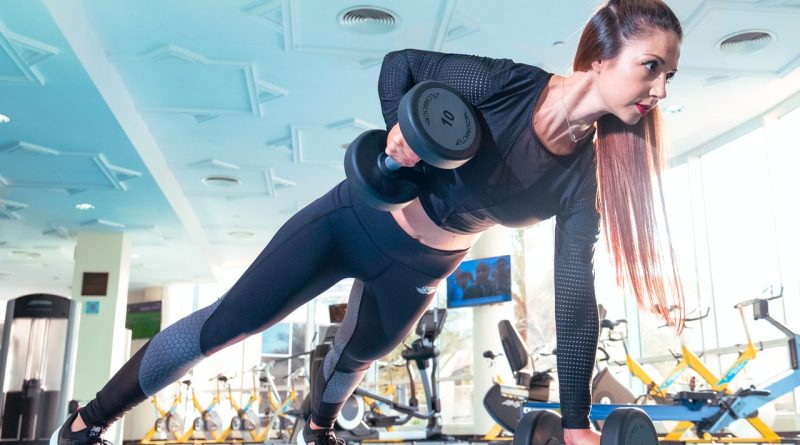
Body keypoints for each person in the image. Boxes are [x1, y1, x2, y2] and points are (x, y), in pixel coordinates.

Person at [50, 1, 686, 445]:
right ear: (601, 58)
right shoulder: (510, 86)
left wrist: (576, 419)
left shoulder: (584, 178)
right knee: (226, 325)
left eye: (669, 75)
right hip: (352, 220)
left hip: (422, 267)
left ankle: (319, 429)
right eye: (650, 66)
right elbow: (401, 66)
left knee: (358, 357)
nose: (659, 89)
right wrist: (401, 130)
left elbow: (575, 294)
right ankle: (83, 425)